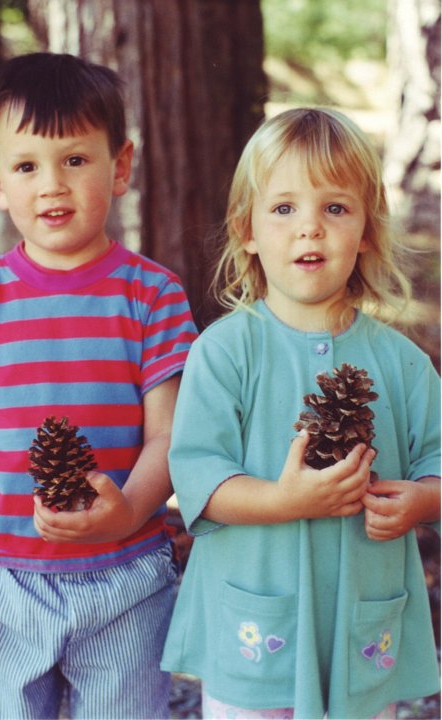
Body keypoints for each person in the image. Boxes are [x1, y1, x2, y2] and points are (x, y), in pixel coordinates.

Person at [161, 107, 440, 719]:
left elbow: (438, 456)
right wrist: (283, 501)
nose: (309, 228)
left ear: (367, 229)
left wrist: (423, 500)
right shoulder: (224, 351)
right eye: (284, 208)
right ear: (248, 230)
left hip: (361, 624)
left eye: (335, 208)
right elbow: (197, 476)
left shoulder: (401, 361)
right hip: (257, 629)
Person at [0, 52, 197, 719]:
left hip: (128, 579)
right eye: (27, 166)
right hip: (0, 581)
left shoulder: (153, 296)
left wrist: (130, 511)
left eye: (75, 160)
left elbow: (169, 434)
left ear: (120, 167)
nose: (52, 185)